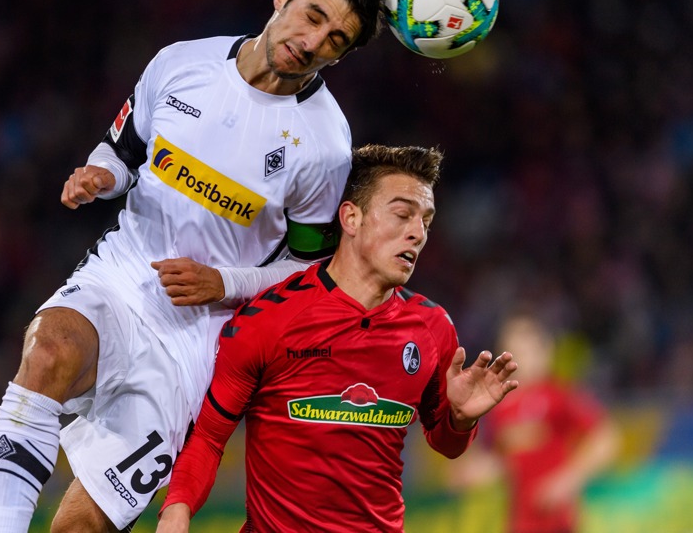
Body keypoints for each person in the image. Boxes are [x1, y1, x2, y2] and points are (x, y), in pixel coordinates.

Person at [0, 0, 385, 533]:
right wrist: (102, 177)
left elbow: (312, 268)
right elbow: (122, 151)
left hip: (199, 344)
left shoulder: (324, 144)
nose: (314, 40)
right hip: (121, 275)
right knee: (48, 350)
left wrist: (226, 283)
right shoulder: (182, 62)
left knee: (81, 527)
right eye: (313, 15)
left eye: (336, 40)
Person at [155, 144, 521, 532]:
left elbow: (447, 444)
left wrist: (461, 421)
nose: (417, 233)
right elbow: (209, 437)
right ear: (351, 217)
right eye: (402, 215)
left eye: (426, 223)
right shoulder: (269, 319)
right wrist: (177, 509)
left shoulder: (432, 328)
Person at [448, 308, 619, 533]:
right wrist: (475, 473)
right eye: (513, 351)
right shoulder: (499, 409)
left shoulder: (558, 395)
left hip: (556, 523)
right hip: (518, 524)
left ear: (544, 351)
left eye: (527, 350)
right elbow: (502, 460)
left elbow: (606, 438)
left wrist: (568, 480)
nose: (520, 358)